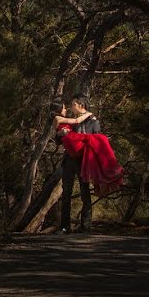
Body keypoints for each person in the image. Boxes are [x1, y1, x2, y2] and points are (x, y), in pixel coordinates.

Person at [53, 94, 123, 234]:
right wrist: (60, 134)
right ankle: (64, 227)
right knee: (66, 193)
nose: (72, 107)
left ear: (81, 105)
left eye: (73, 104)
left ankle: (86, 227)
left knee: (85, 193)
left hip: (84, 162)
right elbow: (58, 141)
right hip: (68, 161)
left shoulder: (93, 122)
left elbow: (98, 142)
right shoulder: (72, 121)